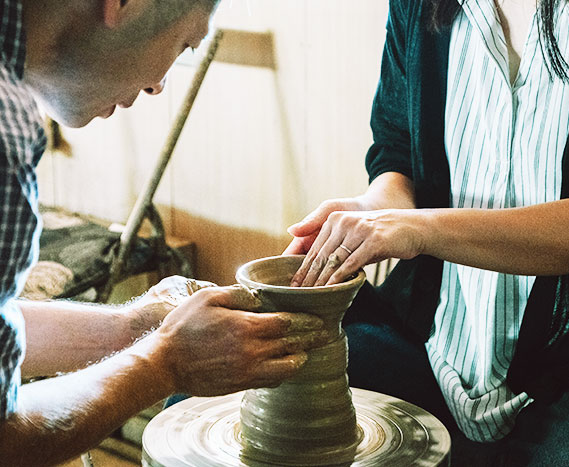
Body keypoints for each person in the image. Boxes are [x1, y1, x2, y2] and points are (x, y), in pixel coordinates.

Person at [286, 0, 569, 464]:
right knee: (281, 398)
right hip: (437, 337)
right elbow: (397, 152)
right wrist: (374, 212)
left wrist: (417, 229)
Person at [0, 1, 329, 465]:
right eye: (183, 43)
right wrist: (165, 362)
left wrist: (134, 328)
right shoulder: (5, 128)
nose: (158, 84)